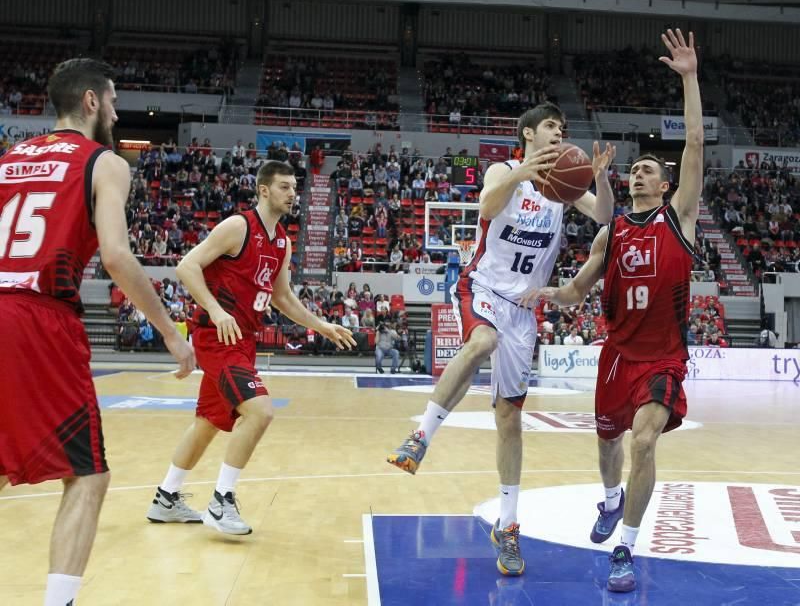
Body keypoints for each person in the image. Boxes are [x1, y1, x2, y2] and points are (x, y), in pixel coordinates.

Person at [387, 101, 615, 575]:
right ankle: (419, 437)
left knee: (510, 420)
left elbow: (606, 218)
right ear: (529, 133)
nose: (560, 133)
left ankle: (507, 527)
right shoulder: (503, 168)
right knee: (481, 342)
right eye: (552, 126)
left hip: (524, 311)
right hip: (483, 287)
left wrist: (600, 177)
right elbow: (487, 205)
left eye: (563, 128)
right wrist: (521, 174)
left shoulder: (564, 185)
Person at [0, 58, 195, 606]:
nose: (114, 111)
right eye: (110, 102)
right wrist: (171, 332)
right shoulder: (103, 162)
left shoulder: (11, 158)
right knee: (86, 474)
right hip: (39, 316)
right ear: (90, 101)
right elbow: (116, 255)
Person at [526, 30, 703, 593]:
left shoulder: (680, 219)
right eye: (636, 169)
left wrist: (689, 78)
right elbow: (579, 290)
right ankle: (610, 501)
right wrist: (555, 294)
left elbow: (695, 142)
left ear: (667, 183)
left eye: (649, 169)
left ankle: (625, 548)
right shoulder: (613, 230)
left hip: (662, 360)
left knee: (644, 442)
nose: (638, 173)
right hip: (617, 355)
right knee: (607, 445)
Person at [146, 161, 356, 535]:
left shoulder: (282, 242)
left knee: (209, 422)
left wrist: (321, 325)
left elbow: (282, 298)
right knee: (260, 412)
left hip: (244, 340)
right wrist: (215, 309)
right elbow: (186, 266)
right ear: (263, 190)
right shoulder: (238, 226)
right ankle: (221, 501)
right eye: (284, 187)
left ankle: (165, 498)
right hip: (217, 336)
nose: (293, 194)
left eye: (294, 188)